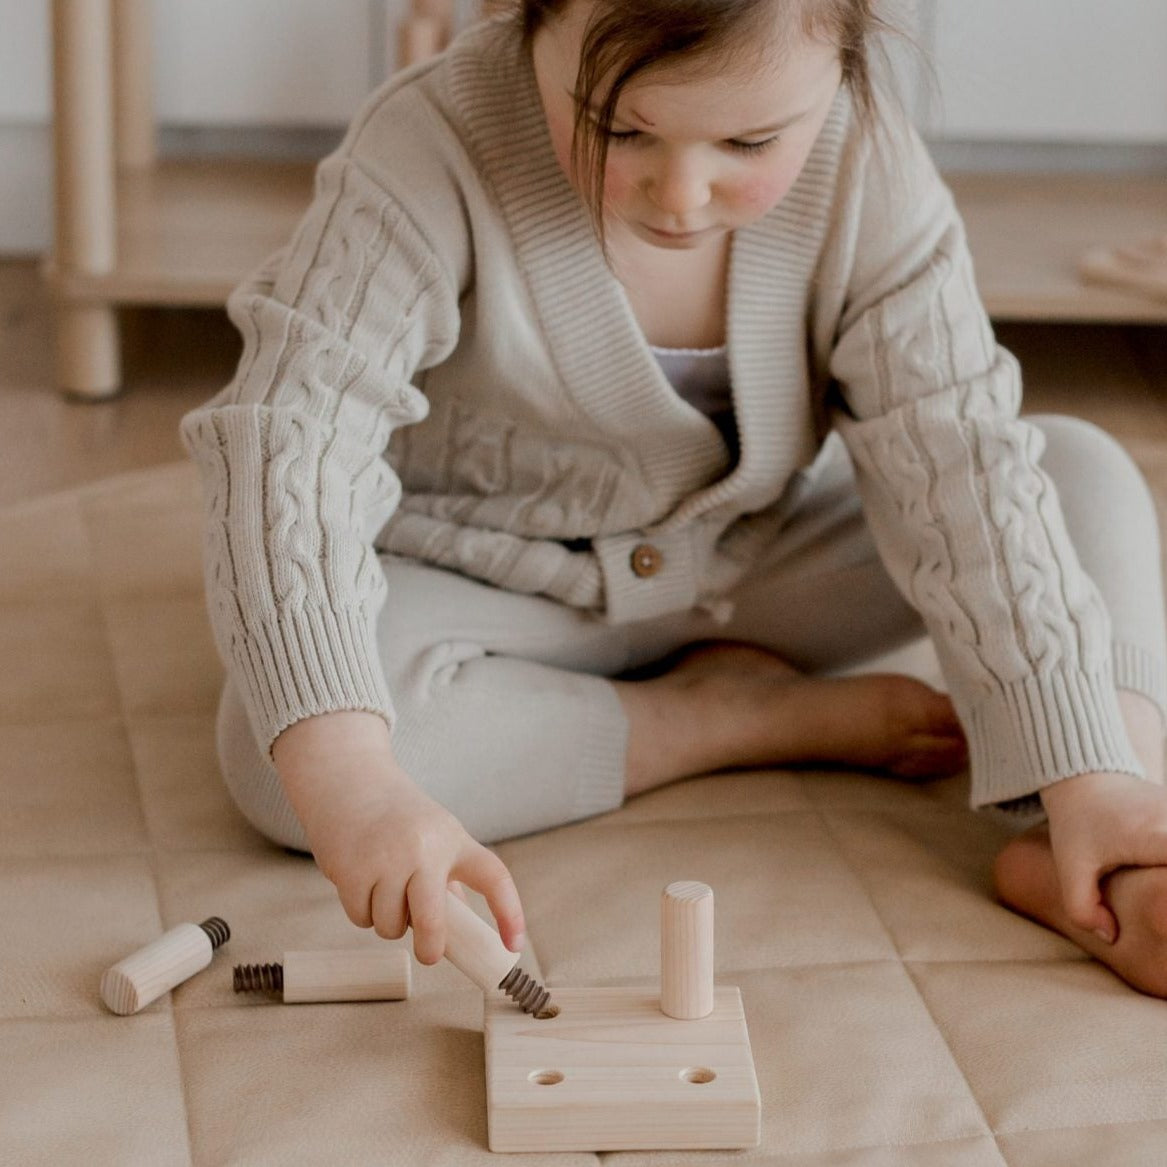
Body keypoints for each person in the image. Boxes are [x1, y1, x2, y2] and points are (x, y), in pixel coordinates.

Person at [180, 0, 1167, 998]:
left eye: (748, 141)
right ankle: (727, 720)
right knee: (287, 760)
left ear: (848, 58)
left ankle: (1112, 821)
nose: (682, 193)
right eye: (623, 128)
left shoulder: (870, 161)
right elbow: (288, 438)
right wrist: (353, 780)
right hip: (489, 582)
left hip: (757, 560)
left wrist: (1086, 759)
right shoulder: (427, 144)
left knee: (1076, 470)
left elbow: (955, 453)